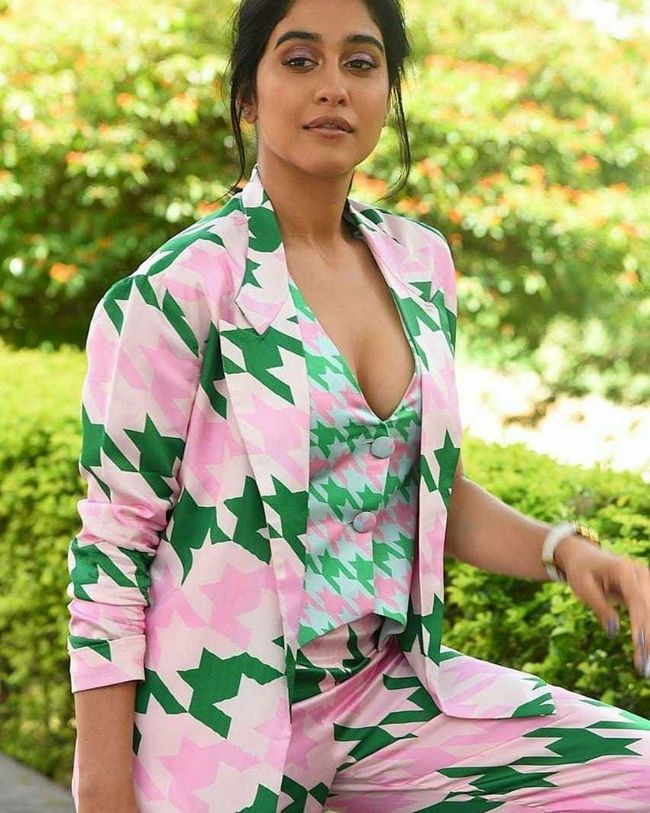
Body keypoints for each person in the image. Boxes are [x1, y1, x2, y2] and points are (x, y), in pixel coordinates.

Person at [67, 0, 650, 810]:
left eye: (362, 62)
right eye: (300, 59)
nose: (333, 87)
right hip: (220, 724)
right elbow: (113, 550)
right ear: (248, 95)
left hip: (388, 695)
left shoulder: (420, 264)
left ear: (388, 93)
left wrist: (565, 550)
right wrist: (102, 789)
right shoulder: (179, 290)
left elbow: (424, 492)